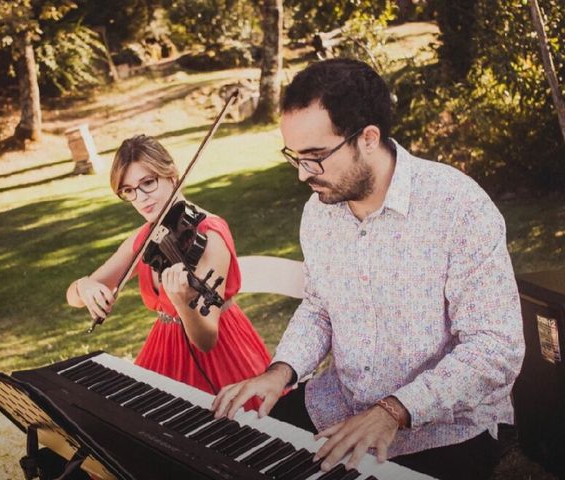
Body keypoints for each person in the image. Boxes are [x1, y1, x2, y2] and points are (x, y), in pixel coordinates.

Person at [212, 59, 525, 480]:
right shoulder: (319, 213)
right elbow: (320, 307)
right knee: (227, 456)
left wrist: (393, 411)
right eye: (295, 157)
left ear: (369, 138)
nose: (303, 173)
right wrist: (279, 372)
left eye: (316, 156)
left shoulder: (459, 207)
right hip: (336, 404)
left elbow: (496, 347)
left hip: (446, 428)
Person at [67, 134, 271, 410]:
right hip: (164, 349)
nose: (140, 198)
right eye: (128, 191)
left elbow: (206, 340)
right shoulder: (147, 236)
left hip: (219, 357)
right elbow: (73, 297)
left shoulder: (208, 236)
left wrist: (183, 303)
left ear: (172, 175)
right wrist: (85, 287)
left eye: (148, 183)